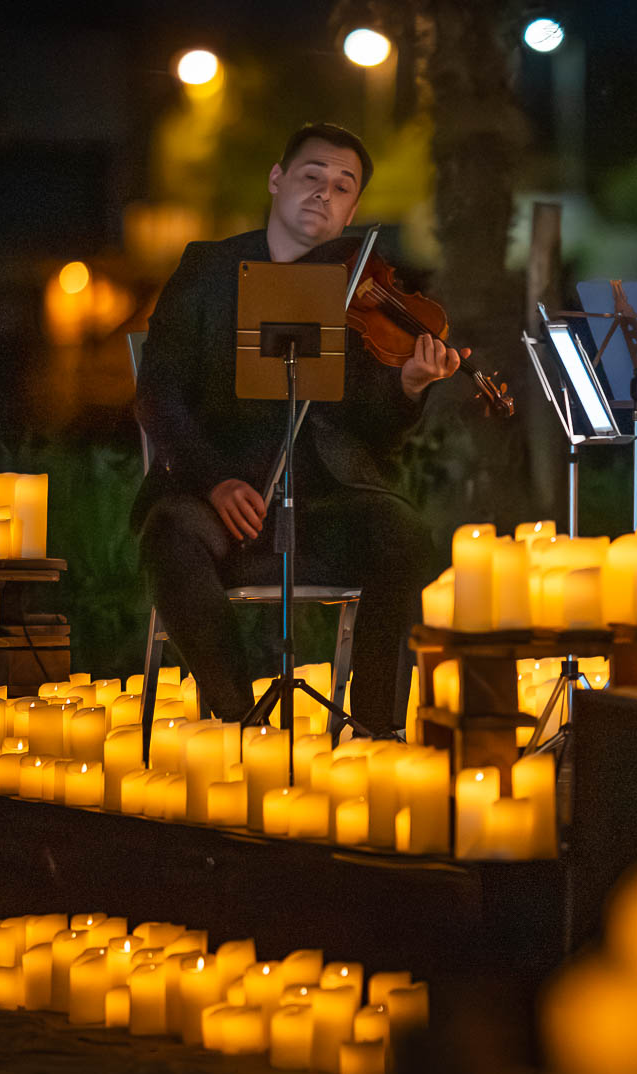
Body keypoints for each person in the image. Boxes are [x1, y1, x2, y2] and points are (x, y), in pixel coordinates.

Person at [131, 123, 462, 735]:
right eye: (312, 177)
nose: (324, 194)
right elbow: (158, 395)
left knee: (404, 533)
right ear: (277, 180)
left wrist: (407, 387)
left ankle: (377, 728)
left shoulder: (357, 290)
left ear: (353, 209)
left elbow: (372, 432)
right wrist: (215, 481)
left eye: (342, 187)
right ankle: (241, 718)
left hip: (322, 499)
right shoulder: (208, 269)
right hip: (221, 498)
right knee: (169, 534)